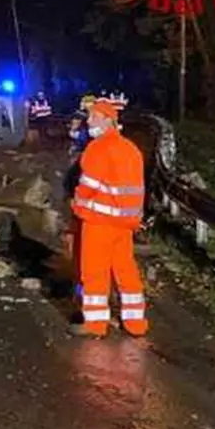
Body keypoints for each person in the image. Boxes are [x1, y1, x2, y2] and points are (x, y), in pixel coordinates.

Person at [70, 100, 148, 338]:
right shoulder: (130, 149)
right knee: (126, 270)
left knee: (94, 271)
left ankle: (95, 324)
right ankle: (136, 323)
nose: (88, 121)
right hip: (125, 224)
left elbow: (88, 186)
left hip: (99, 221)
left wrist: (76, 203)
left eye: (93, 117)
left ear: (107, 120)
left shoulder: (98, 148)